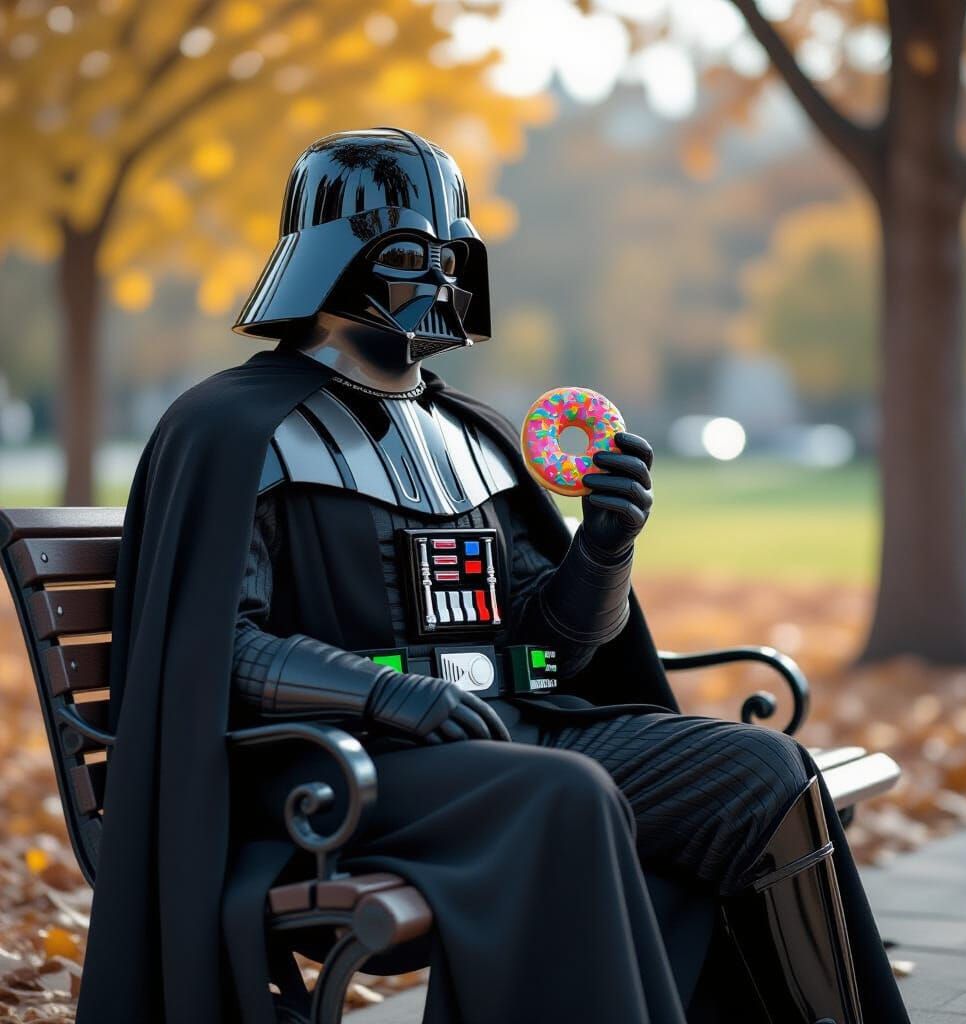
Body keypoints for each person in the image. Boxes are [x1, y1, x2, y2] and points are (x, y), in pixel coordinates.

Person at [76, 128, 909, 1024]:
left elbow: (550, 650)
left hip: (509, 733)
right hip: (339, 775)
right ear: (325, 263)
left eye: (453, 256)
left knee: (765, 773)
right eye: (406, 254)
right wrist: (387, 699)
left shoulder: (470, 435)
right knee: (570, 798)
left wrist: (604, 548)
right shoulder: (230, 431)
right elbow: (222, 645)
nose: (437, 280)